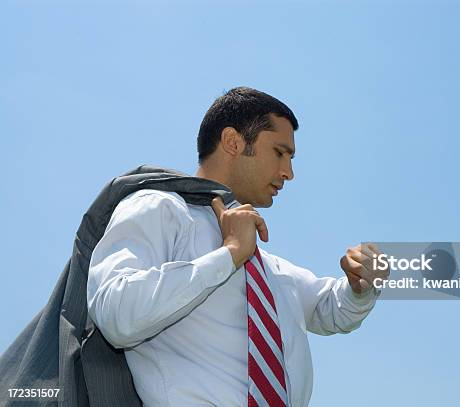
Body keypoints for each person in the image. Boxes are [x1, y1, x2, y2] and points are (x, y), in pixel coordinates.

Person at [87, 87, 386, 407]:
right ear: (233, 142)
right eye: (280, 153)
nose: (289, 172)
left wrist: (363, 283)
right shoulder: (159, 208)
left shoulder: (270, 269)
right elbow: (115, 310)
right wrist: (228, 255)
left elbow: (332, 309)